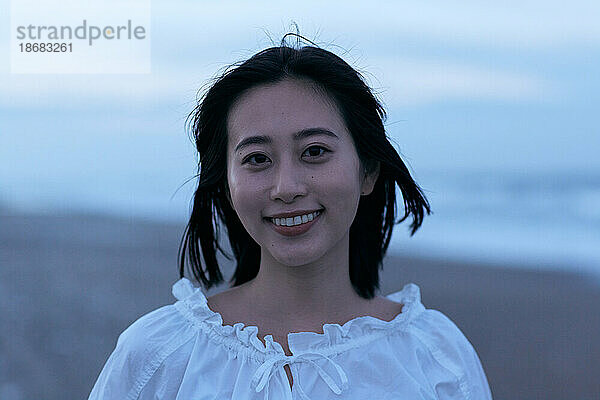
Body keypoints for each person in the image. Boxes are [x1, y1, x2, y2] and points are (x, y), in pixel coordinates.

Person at [88, 33, 493, 399]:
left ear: (367, 169)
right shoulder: (160, 354)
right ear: (226, 184)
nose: (286, 187)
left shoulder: (436, 357)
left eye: (314, 151)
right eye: (257, 159)